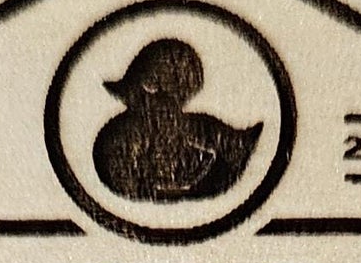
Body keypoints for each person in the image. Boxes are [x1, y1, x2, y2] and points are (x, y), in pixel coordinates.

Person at [92, 37, 262, 202]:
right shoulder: (123, 140)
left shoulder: (188, 129)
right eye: (181, 95)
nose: (182, 104)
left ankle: (238, 144)